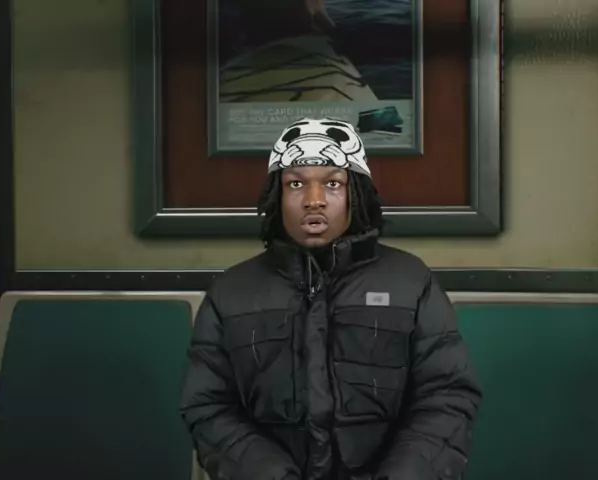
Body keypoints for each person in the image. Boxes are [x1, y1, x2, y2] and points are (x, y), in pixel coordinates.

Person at [179, 118, 482, 480]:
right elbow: (208, 405)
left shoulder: (413, 282)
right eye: (295, 184)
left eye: (333, 183)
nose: (314, 200)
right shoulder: (230, 292)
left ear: (356, 192)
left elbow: (447, 395)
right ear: (277, 196)